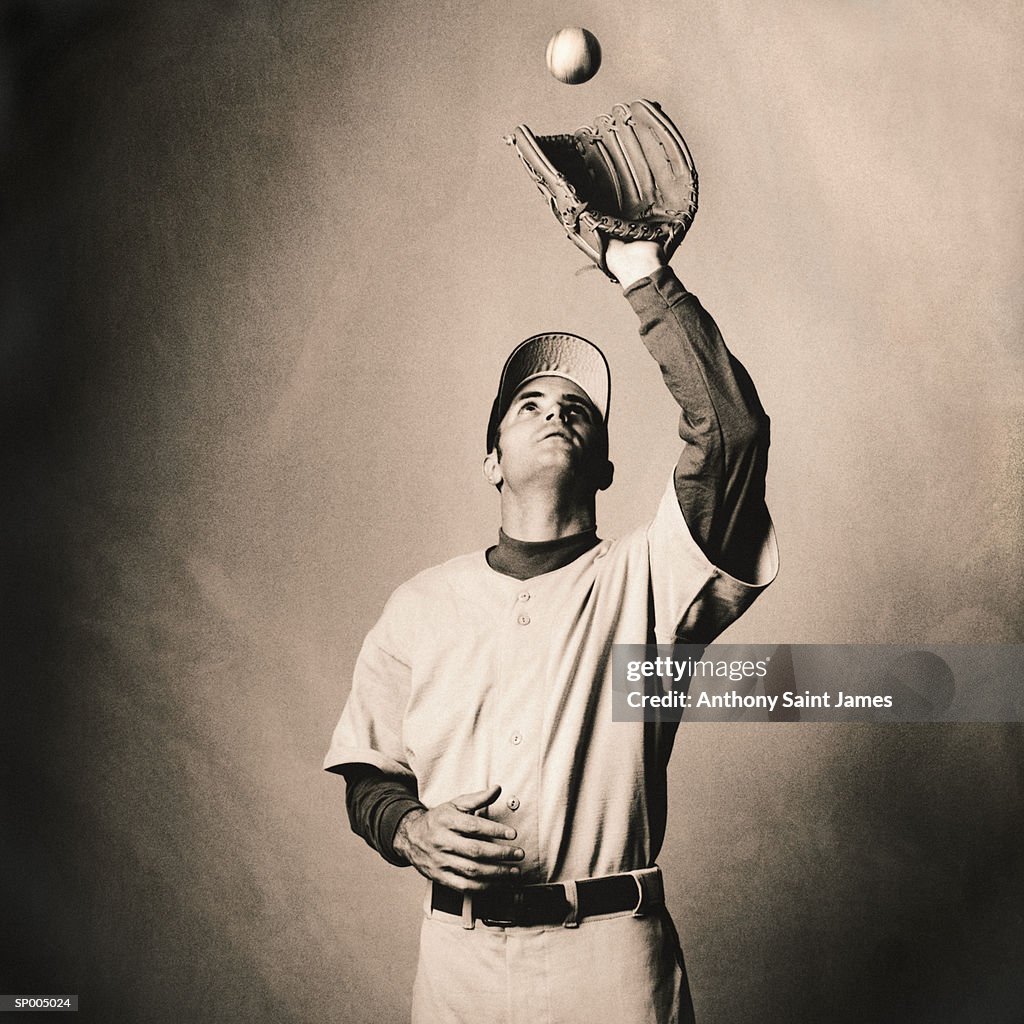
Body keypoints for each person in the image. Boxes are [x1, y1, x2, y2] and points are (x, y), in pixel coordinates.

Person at [323, 238, 778, 1024]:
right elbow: (370, 776)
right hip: (458, 963)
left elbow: (730, 435)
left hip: (609, 955)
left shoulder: (652, 578)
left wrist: (641, 271)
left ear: (602, 465)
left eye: (577, 409)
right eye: (528, 405)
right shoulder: (421, 603)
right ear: (492, 459)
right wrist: (409, 828)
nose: (555, 412)